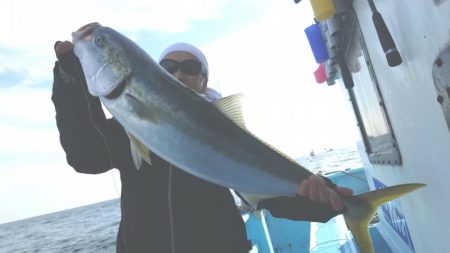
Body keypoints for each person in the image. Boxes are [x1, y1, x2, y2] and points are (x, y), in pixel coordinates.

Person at [52, 39, 352, 253]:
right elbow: (86, 157)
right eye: (168, 66)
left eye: (191, 67)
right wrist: (71, 82)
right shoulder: (128, 125)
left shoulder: (224, 132)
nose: (179, 72)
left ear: (204, 80)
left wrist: (319, 197)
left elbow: (266, 191)